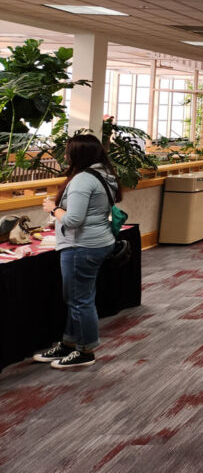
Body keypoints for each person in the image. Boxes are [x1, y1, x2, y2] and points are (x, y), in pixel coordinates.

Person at [34, 134, 119, 369]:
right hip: (96, 242)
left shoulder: (83, 180)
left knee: (79, 300)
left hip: (81, 246)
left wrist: (54, 209)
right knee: (78, 297)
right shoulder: (104, 174)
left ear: (78, 155)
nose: (65, 156)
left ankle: (86, 350)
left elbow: (72, 220)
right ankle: (69, 343)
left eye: (68, 152)